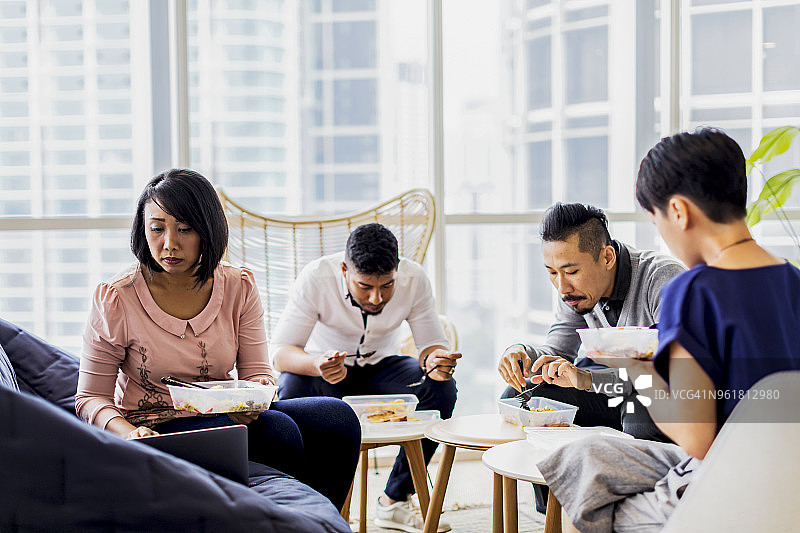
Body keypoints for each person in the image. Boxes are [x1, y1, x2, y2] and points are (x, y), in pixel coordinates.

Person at [539, 128, 800, 533]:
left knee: (584, 494)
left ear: (678, 211)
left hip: (721, 485)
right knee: (591, 453)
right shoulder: (794, 281)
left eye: (657, 219)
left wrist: (638, 366)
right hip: (787, 483)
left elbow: (696, 438)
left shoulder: (692, 290)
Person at [75, 169, 360, 511]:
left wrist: (249, 402)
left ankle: (322, 521)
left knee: (336, 418)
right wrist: (127, 433)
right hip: (154, 427)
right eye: (157, 228)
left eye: (185, 229)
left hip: (230, 415)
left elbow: (258, 373)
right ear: (143, 230)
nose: (169, 243)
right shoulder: (117, 298)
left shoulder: (238, 286)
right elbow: (90, 398)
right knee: (277, 432)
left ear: (208, 230)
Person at [272, 222, 460, 533]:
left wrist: (435, 361)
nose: (376, 298)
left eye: (387, 286)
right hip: (326, 370)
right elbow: (281, 353)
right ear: (344, 269)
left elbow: (430, 346)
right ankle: (308, 501)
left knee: (441, 388)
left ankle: (394, 500)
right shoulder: (316, 277)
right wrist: (317, 363)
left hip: (383, 366)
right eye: (365, 286)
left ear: (397, 269)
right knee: (291, 387)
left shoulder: (415, 279)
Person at [496, 202, 686, 511]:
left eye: (571, 271)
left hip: (664, 394)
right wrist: (521, 354)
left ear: (607, 257)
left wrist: (588, 379)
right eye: (552, 273)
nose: (561, 286)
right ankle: (555, 513)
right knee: (524, 394)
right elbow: (556, 352)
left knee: (639, 410)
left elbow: (666, 372)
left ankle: (643, 513)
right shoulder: (574, 292)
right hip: (608, 389)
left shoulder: (663, 279)